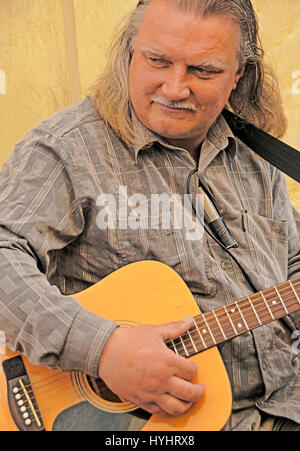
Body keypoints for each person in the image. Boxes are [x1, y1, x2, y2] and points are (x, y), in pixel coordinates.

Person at [0, 0, 299, 431]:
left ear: (239, 75)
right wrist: (103, 349)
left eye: (204, 71)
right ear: (128, 55)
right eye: (157, 61)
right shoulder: (65, 150)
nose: (175, 88)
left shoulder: (259, 153)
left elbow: (292, 264)